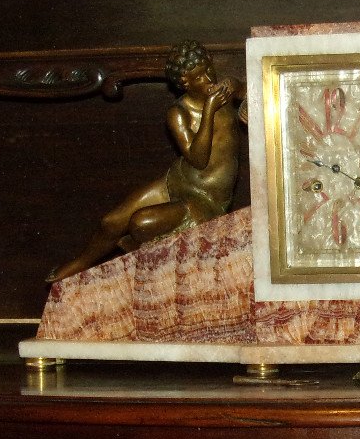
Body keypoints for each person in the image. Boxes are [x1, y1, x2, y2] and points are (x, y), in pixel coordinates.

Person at [46, 40, 245, 282]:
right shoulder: (178, 113)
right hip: (178, 181)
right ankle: (79, 265)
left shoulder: (221, 94)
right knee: (111, 221)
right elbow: (197, 157)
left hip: (206, 199)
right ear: (185, 83)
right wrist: (209, 110)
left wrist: (235, 87)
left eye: (208, 69)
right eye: (199, 77)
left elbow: (244, 89)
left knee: (140, 223)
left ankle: (142, 263)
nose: (208, 78)